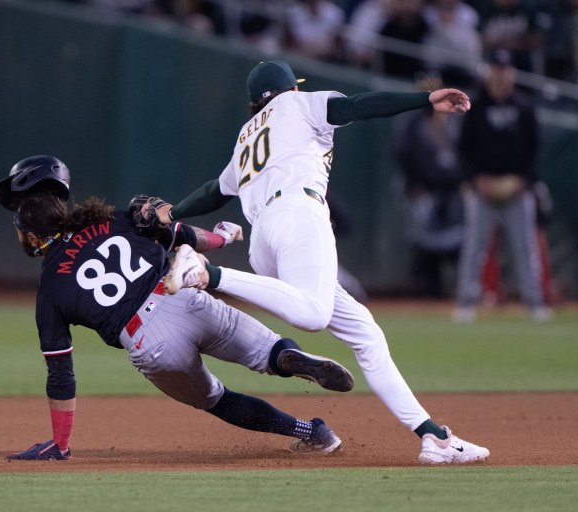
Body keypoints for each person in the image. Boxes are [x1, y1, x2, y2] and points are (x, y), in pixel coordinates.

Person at [156, 60, 490, 464]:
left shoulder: (247, 136)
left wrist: (173, 215)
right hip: (298, 214)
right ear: (288, 89)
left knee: (367, 335)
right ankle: (206, 273)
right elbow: (359, 105)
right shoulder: (300, 105)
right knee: (313, 315)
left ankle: (433, 438)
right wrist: (425, 99)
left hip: (264, 239)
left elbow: (215, 190)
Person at [0, 155, 355, 460]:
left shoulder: (51, 285)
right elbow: (184, 236)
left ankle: (312, 432)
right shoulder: (113, 220)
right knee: (267, 350)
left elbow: (61, 375)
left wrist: (60, 443)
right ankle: (289, 360)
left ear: (32, 234)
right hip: (180, 296)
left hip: (150, 343)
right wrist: (224, 237)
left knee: (219, 400)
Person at [453, 49, 553, 322]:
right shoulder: (475, 105)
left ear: (512, 73)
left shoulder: (524, 105)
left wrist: (522, 180)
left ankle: (535, 304)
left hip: (517, 189)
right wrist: (475, 180)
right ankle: (466, 304)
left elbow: (536, 149)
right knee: (475, 248)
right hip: (482, 189)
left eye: (505, 70)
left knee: (525, 247)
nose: (500, 75)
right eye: (496, 69)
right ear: (489, 72)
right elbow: (463, 149)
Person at [394, 72, 466, 298]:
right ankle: (427, 287)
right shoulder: (412, 123)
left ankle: (460, 290)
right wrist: (415, 183)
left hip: (452, 191)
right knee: (425, 243)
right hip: (423, 191)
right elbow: (403, 154)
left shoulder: (453, 121)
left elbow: (465, 154)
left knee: (459, 242)